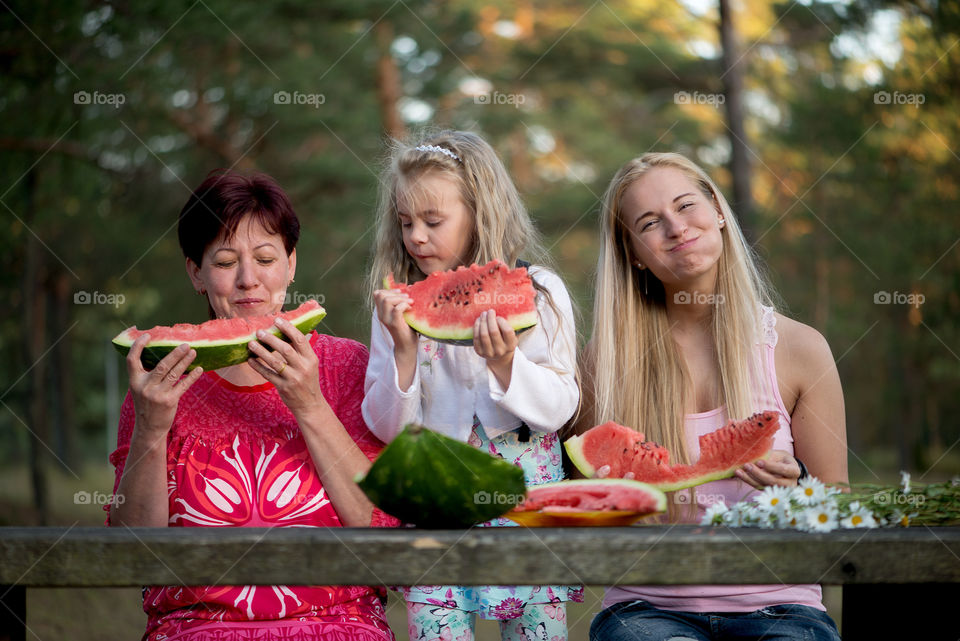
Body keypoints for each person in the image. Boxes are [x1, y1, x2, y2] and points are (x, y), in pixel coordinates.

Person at [106, 170, 398, 641]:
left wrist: (310, 405)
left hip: (338, 626)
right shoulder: (157, 383)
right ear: (195, 273)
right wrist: (152, 430)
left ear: (291, 264)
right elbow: (133, 555)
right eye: (224, 262)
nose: (248, 280)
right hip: (197, 629)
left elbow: (382, 533)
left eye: (265, 257)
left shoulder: (348, 366)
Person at [581, 152, 847, 641]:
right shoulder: (606, 361)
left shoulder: (800, 348)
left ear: (719, 211)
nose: (676, 228)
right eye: (650, 223)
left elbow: (839, 504)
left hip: (783, 606)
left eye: (686, 206)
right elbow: (575, 505)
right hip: (646, 609)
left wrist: (797, 488)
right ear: (633, 253)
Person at [361, 131, 582, 641]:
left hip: (530, 501)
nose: (416, 236)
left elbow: (559, 408)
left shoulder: (540, 290)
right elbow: (386, 428)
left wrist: (506, 364)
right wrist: (403, 352)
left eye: (433, 221)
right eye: (405, 222)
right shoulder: (396, 307)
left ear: (481, 212)